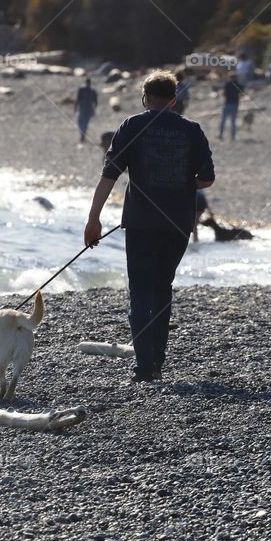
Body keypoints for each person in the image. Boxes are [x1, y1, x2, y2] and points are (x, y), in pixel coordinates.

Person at [83, 70, 215, 382]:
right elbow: (207, 179)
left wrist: (93, 218)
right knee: (161, 287)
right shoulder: (192, 130)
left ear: (145, 98)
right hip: (178, 222)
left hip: (141, 222)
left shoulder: (132, 125)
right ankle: (157, 360)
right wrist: (182, 183)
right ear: (174, 100)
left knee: (140, 290)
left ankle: (145, 368)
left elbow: (109, 175)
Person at [219, 71, 243, 141]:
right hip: (235, 104)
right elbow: (241, 92)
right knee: (233, 121)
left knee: (223, 120)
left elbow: (223, 93)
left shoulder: (227, 84)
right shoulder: (238, 84)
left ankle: (220, 135)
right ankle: (233, 137)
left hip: (227, 103)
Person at [74, 78, 98, 143]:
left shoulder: (82, 89)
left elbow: (78, 99)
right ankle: (83, 134)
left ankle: (82, 134)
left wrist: (75, 107)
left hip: (83, 108)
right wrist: (94, 109)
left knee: (81, 122)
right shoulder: (92, 90)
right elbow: (95, 102)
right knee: (84, 122)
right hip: (88, 109)